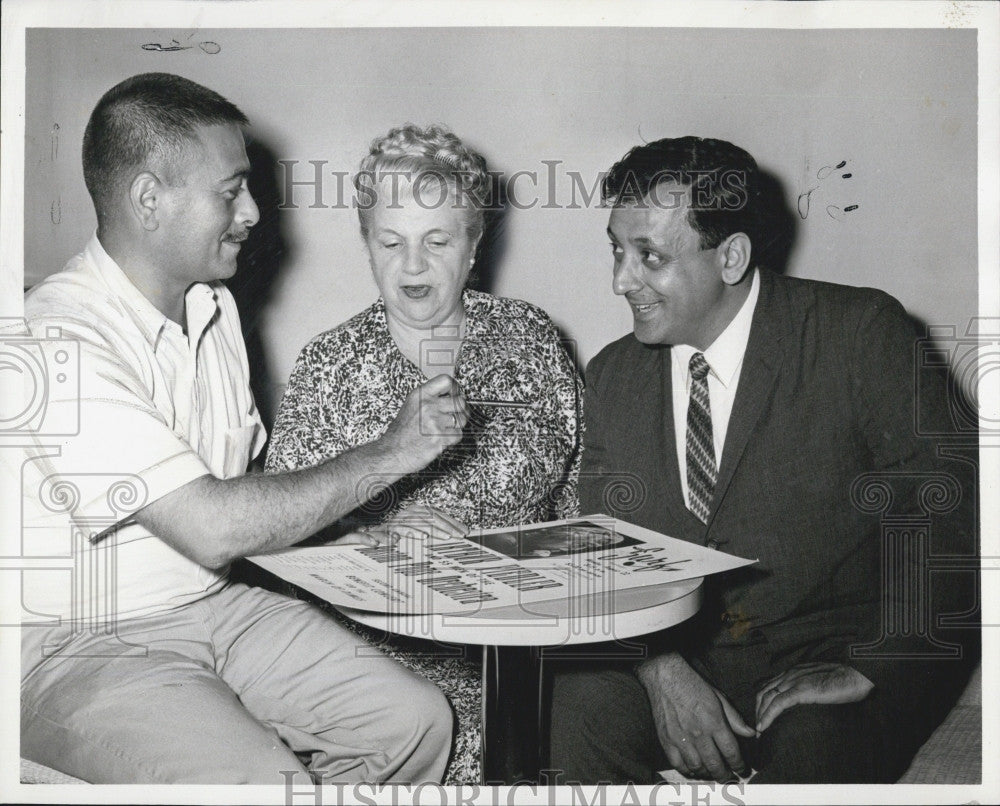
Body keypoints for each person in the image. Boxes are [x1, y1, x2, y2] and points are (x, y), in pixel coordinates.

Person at [18, 73, 468, 785]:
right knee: (266, 786)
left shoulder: (214, 308)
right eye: (230, 191)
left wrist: (358, 539)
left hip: (213, 605)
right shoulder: (53, 338)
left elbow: (244, 496)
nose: (254, 212)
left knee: (413, 723)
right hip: (80, 647)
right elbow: (210, 526)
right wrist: (390, 454)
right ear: (148, 200)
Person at [548, 136, 977, 784]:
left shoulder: (860, 333)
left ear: (732, 257)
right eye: (616, 249)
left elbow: (953, 517)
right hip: (686, 655)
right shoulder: (613, 376)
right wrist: (662, 672)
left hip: (832, 653)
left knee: (814, 745)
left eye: (649, 257)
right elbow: (609, 552)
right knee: (579, 708)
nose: (619, 281)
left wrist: (873, 667)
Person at [264, 124, 583, 783]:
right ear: (366, 244)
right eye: (391, 241)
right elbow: (275, 542)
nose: (412, 265)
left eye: (437, 241)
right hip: (388, 667)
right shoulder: (328, 366)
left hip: (537, 645)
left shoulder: (530, 339)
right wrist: (375, 533)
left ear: (473, 246)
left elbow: (587, 491)